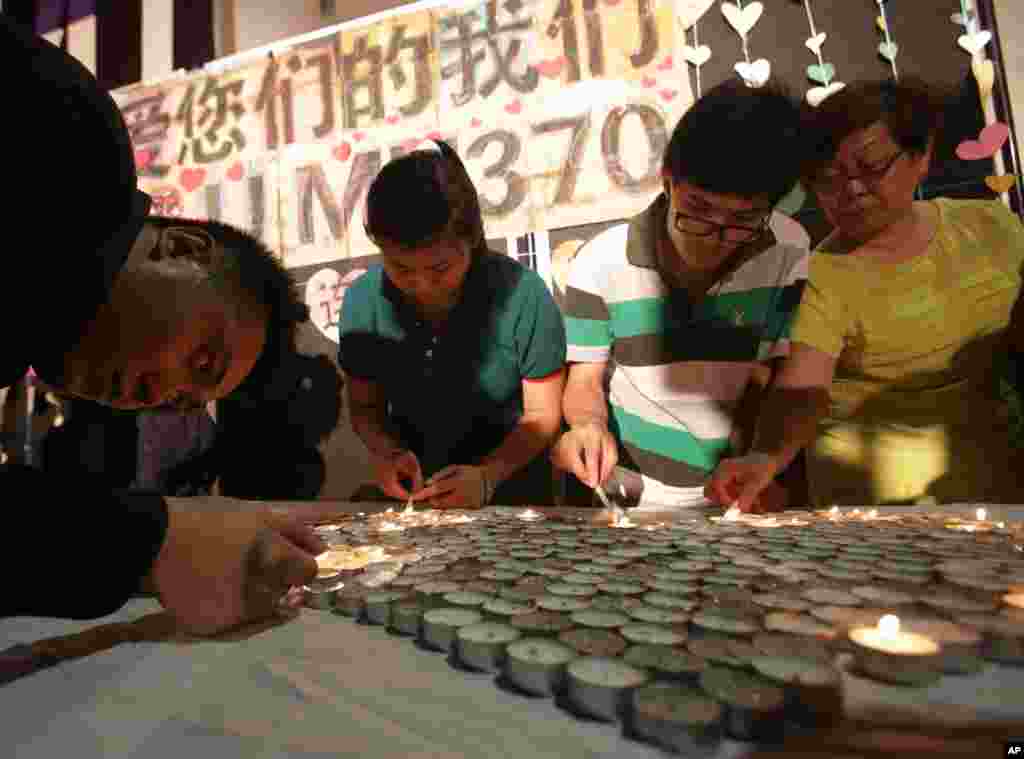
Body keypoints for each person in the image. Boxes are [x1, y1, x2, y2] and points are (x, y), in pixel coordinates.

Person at [1, 14, 324, 634]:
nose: (153, 397)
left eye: (181, 401)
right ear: (180, 250)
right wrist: (149, 540)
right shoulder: (70, 140)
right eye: (202, 361)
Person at [705, 78, 1024, 511]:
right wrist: (766, 457)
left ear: (921, 156)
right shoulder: (821, 276)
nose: (851, 191)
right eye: (829, 178)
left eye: (871, 168)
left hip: (1003, 483)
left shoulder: (991, 227)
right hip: (878, 506)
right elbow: (802, 390)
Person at [551, 79, 809, 510]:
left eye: (744, 220)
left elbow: (788, 381)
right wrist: (588, 426)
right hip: (628, 493)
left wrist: (765, 460)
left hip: (735, 491)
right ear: (667, 181)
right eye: (699, 211)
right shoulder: (599, 261)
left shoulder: (789, 250)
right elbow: (584, 379)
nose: (717, 238)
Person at [338, 141, 567, 509]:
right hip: (418, 499)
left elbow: (543, 415)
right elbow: (365, 409)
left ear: (471, 239)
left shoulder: (523, 296)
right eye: (401, 269)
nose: (421, 285)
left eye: (439, 268)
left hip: (514, 501)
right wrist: (388, 453)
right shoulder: (363, 302)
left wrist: (488, 477)